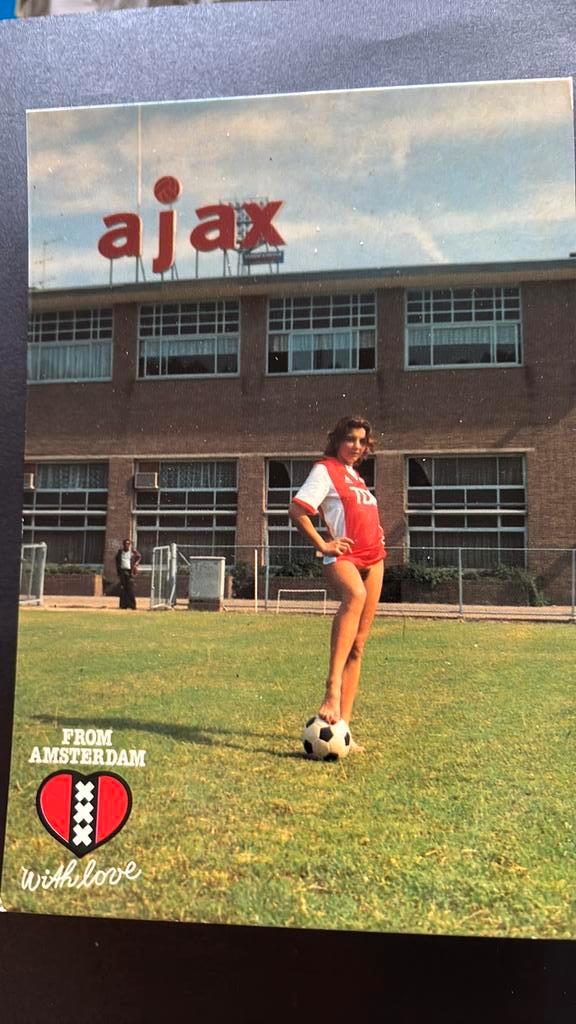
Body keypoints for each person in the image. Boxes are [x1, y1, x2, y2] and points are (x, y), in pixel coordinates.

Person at [289, 416, 386, 747]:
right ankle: (331, 689)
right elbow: (297, 510)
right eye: (350, 439)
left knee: (358, 646)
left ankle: (344, 728)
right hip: (344, 557)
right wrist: (323, 544)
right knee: (354, 596)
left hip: (375, 558)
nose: (356, 446)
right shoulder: (325, 469)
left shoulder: (355, 476)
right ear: (337, 440)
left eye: (362, 441)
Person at [115, 538, 142, 609]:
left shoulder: (132, 552)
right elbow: (117, 560)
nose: (127, 545)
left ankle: (132, 605)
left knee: (130, 589)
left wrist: (136, 564)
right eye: (126, 543)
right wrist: (118, 571)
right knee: (123, 588)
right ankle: (123, 605)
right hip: (122, 571)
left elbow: (139, 556)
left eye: (128, 544)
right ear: (123, 544)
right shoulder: (120, 552)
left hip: (130, 572)